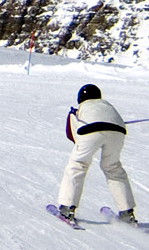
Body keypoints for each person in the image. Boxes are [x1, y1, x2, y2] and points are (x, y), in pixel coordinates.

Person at [56, 83, 137, 224]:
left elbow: (71, 134)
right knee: (113, 168)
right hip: (118, 130)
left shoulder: (78, 109)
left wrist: (86, 145)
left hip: (89, 130)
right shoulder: (106, 104)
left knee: (77, 165)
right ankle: (127, 213)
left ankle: (67, 208)